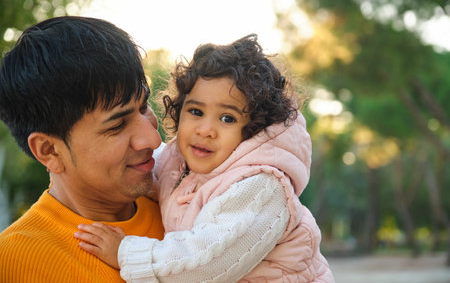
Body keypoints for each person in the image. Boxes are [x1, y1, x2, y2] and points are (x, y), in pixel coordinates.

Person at [76, 34, 334, 282]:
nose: (205, 130)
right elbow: (152, 166)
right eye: (196, 111)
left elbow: (207, 265)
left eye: (227, 119)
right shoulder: (179, 161)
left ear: (254, 130)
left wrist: (126, 253)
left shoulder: (261, 187)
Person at [0, 16, 165, 282]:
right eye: (117, 125)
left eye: (144, 107)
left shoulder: (193, 206)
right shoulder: (15, 262)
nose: (153, 139)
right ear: (49, 151)